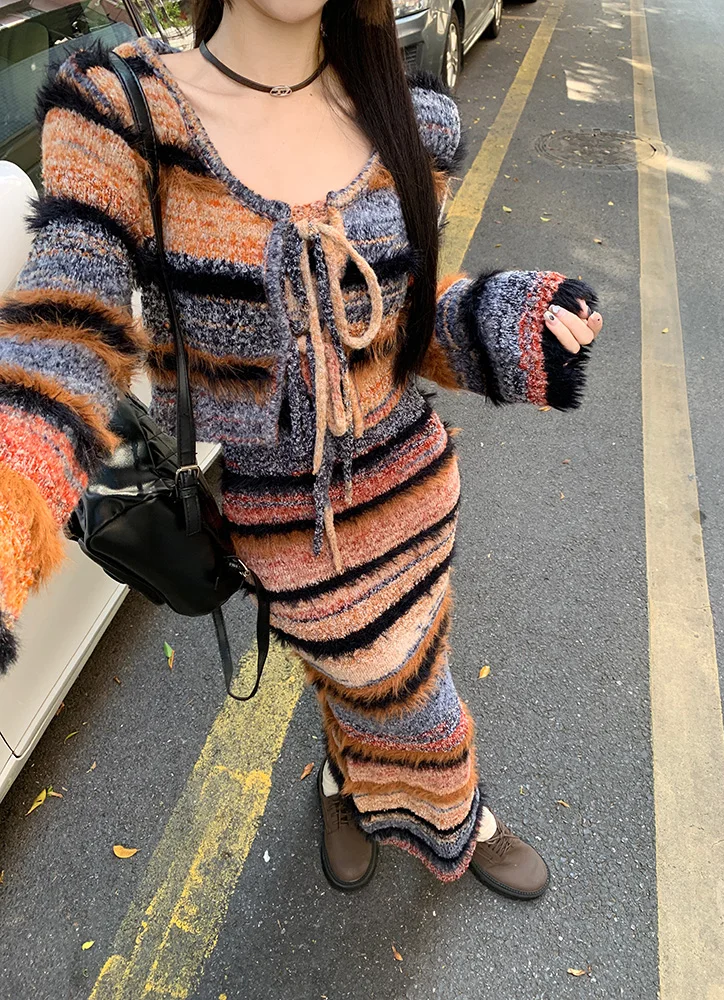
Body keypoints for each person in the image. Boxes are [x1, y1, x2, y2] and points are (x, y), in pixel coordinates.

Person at [0, 0, 603, 898]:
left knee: (403, 666)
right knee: (407, 694)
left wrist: (511, 317)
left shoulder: (414, 120)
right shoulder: (126, 113)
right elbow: (64, 334)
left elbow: (401, 323)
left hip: (418, 493)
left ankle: (340, 783)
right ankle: (457, 813)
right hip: (292, 531)